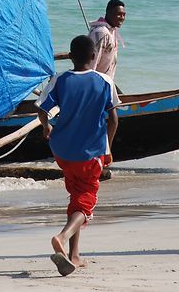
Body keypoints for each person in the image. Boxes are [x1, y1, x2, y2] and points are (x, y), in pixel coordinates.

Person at [37, 34, 121, 276]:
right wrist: (108, 148)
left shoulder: (60, 79)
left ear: (70, 56)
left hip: (62, 150)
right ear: (95, 57)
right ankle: (62, 237)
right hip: (90, 151)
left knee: (76, 196)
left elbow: (43, 109)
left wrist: (46, 127)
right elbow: (113, 119)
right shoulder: (104, 81)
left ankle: (74, 255)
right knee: (86, 200)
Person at [87, 0, 126, 81]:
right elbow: (92, 62)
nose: (122, 18)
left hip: (106, 80)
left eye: (123, 15)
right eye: (119, 14)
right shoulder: (101, 33)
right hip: (97, 82)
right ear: (108, 13)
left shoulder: (112, 31)